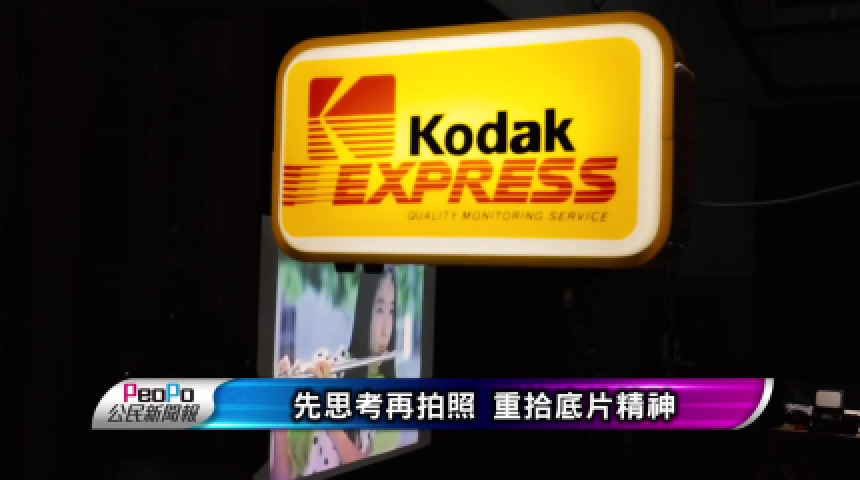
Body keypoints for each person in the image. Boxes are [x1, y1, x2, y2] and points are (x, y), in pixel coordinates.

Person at [271, 266, 402, 479]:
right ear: (364, 311)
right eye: (379, 310)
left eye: (391, 311)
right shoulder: (333, 368)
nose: (386, 329)